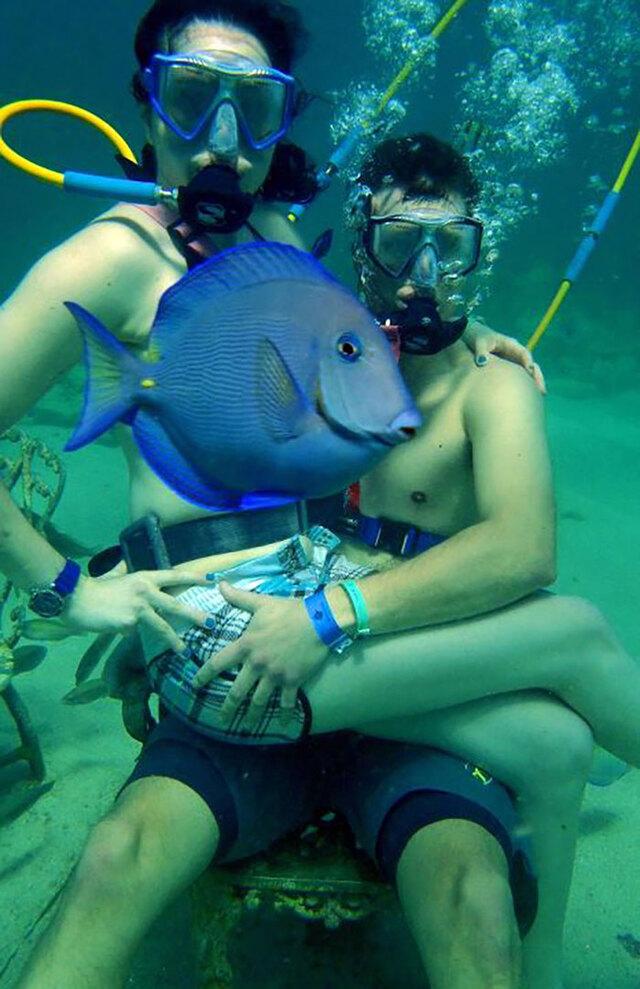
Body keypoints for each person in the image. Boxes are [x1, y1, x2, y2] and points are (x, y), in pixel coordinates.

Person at [0, 3, 588, 988]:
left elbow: (365, 376)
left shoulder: (283, 237)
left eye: (253, 105)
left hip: (365, 644)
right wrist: (63, 582)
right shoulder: (111, 257)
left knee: (473, 894)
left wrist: (472, 344)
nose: (221, 139)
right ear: (147, 105)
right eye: (191, 99)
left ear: (281, 119)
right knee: (113, 861)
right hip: (231, 668)